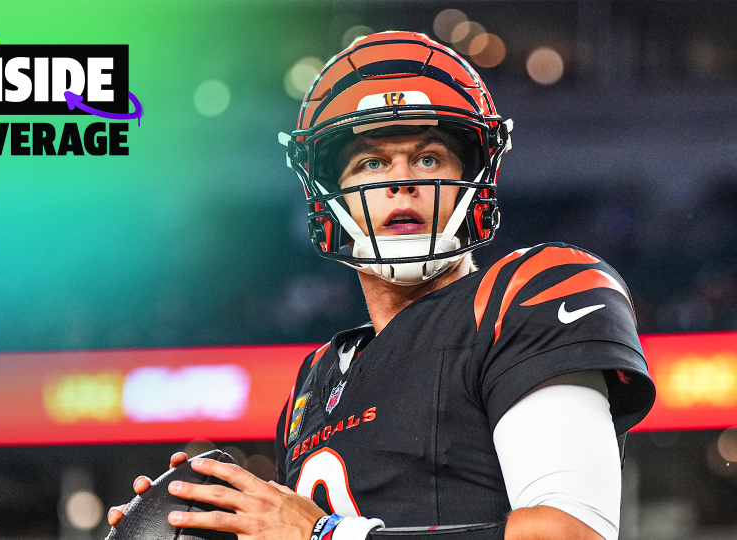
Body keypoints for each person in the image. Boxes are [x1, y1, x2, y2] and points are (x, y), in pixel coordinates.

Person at [107, 31, 655, 540]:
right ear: (329, 196)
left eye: (428, 158)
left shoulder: (528, 293)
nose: (402, 183)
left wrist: (323, 534)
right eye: (371, 162)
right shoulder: (317, 377)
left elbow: (569, 533)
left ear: (474, 179)